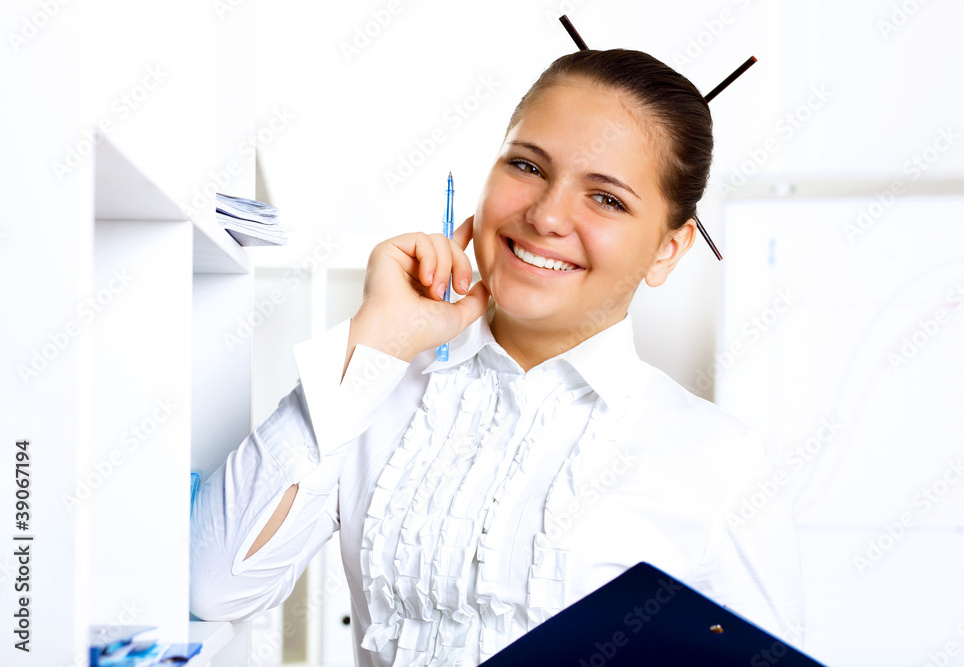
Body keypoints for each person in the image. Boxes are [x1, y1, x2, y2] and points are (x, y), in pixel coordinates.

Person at [190, 48, 804, 666]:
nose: (545, 215)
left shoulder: (719, 460)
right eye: (527, 165)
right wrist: (374, 338)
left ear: (668, 251)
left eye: (607, 199)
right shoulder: (380, 386)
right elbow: (215, 586)